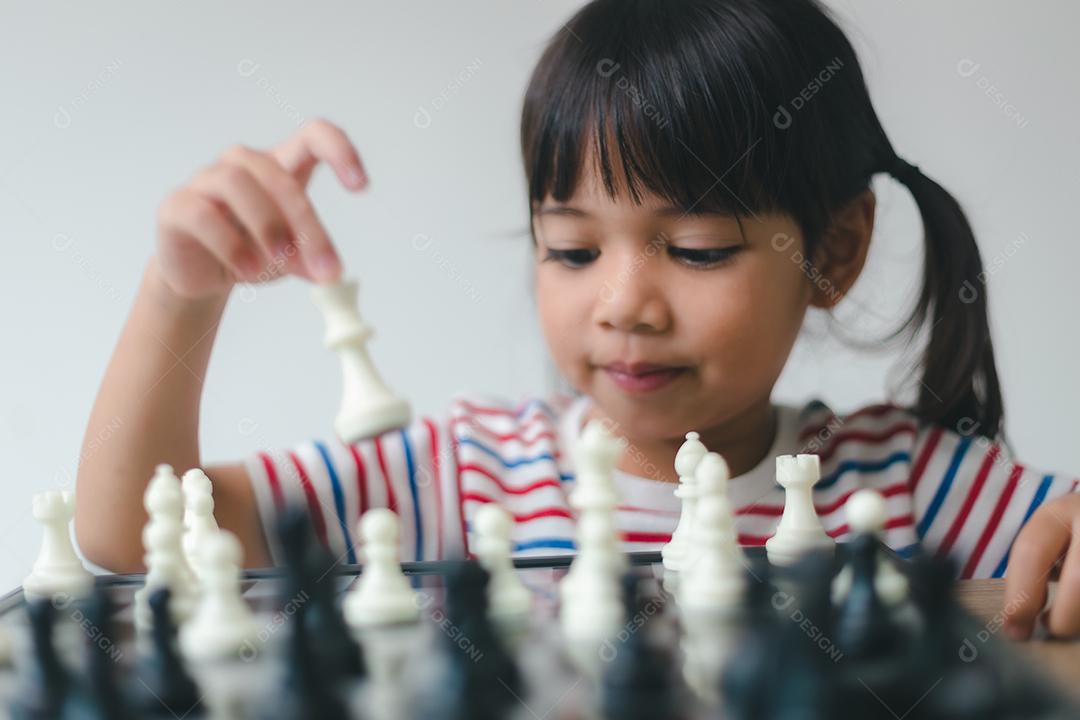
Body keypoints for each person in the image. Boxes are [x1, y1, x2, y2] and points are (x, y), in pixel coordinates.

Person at [74, 0, 1077, 641]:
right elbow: (132, 538)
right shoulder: (462, 476)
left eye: (695, 249)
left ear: (835, 251)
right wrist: (183, 294)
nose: (624, 305)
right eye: (572, 249)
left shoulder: (909, 488)